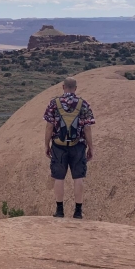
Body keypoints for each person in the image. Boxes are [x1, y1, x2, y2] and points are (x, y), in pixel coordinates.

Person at [43, 77, 95, 219]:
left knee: (59, 177)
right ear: (76, 88)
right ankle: (78, 212)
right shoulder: (83, 104)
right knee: (78, 177)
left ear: (63, 87)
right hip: (78, 146)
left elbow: (49, 126)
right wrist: (90, 148)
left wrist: (46, 145)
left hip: (58, 146)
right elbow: (87, 128)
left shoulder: (54, 103)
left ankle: (59, 210)